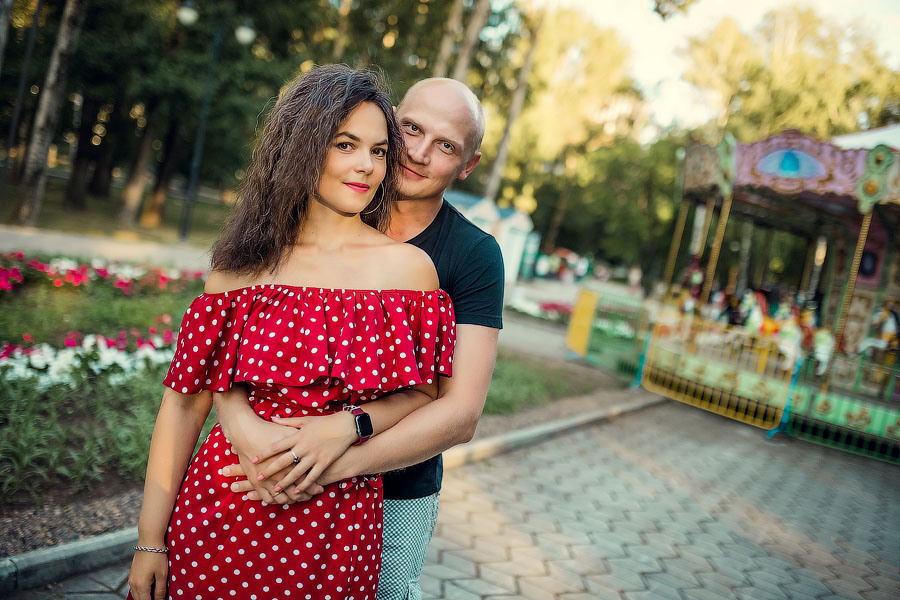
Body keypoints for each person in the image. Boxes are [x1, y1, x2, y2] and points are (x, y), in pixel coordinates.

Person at [126, 65, 457, 600]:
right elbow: (184, 405)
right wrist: (148, 541)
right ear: (301, 147)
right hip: (221, 512)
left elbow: (422, 395)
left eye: (378, 151)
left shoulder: (407, 271)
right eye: (346, 144)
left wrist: (350, 426)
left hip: (335, 525)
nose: (366, 167)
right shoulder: (239, 267)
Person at [215, 77, 504, 599]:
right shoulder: (325, 206)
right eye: (410, 129)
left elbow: (460, 412)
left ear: (467, 166)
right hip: (268, 466)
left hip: (394, 490)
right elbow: (228, 338)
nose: (416, 153)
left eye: (445, 146)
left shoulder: (472, 254)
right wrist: (238, 420)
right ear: (389, 121)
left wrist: (331, 462)